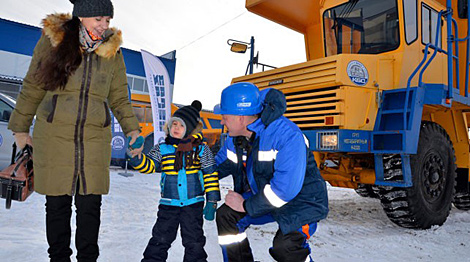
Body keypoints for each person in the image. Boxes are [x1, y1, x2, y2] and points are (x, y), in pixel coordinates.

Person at [7, 0, 141, 261]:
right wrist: (20, 128)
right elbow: (33, 85)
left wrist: (131, 129)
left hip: (94, 139)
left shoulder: (112, 52)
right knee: (57, 205)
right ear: (82, 17)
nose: (104, 26)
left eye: (108, 21)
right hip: (55, 135)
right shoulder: (54, 41)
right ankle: (59, 257)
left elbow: (119, 98)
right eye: (99, 19)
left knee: (90, 206)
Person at [213, 82, 329, 262]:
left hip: (301, 202)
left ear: (240, 118)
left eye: (224, 117)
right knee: (227, 216)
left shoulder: (286, 135)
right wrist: (191, 171)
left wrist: (245, 205)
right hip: (266, 198)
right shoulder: (234, 138)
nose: (221, 121)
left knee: (286, 248)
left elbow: (285, 190)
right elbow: (217, 166)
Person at [128, 100, 221, 262]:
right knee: (160, 240)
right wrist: (136, 157)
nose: (176, 128)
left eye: (181, 125)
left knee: (194, 242)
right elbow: (149, 166)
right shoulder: (162, 148)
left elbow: (210, 174)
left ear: (190, 129)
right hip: (168, 204)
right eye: (174, 124)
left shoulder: (201, 149)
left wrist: (212, 200)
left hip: (193, 204)